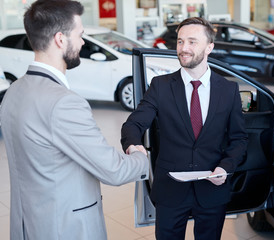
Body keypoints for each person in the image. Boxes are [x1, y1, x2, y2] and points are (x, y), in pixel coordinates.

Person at [0, 0, 149, 239]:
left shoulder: (13, 92)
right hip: (65, 228)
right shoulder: (65, 103)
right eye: (80, 35)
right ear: (60, 39)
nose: (82, 42)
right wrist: (142, 157)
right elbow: (114, 170)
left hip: (27, 225)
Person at [121, 17, 248, 240]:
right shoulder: (160, 86)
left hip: (212, 188)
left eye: (192, 42)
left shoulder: (228, 90)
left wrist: (225, 167)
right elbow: (134, 123)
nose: (183, 49)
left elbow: (239, 139)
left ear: (210, 47)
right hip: (170, 189)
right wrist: (133, 145)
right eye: (180, 42)